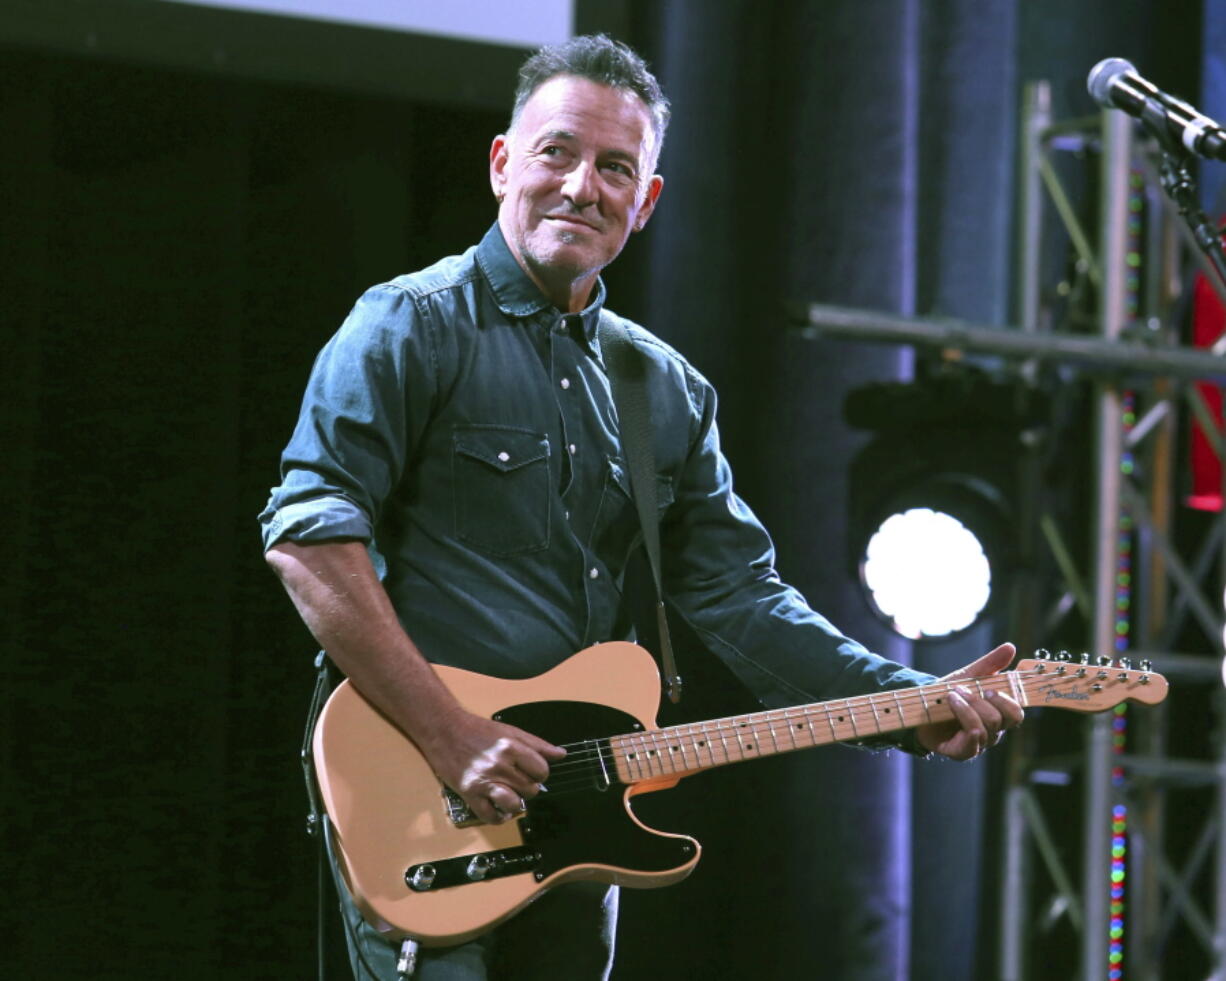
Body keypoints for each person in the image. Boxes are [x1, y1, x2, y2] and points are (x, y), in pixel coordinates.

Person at [260, 33, 1023, 981]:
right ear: (504, 162)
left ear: (647, 201)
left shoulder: (665, 390)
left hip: (580, 810)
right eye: (557, 152)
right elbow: (307, 538)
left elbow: (744, 599)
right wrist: (449, 733)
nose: (583, 185)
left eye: (616, 167)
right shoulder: (409, 323)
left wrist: (904, 699)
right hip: (423, 791)